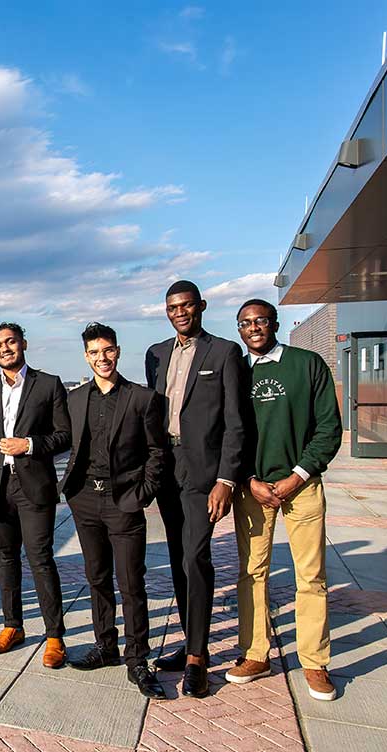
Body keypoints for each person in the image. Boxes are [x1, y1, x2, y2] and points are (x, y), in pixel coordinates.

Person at [229, 299, 342, 701]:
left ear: (274, 323)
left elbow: (329, 426)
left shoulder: (307, 364)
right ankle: (255, 653)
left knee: (310, 576)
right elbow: (229, 433)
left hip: (302, 485)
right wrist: (248, 478)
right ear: (239, 330)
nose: (254, 327)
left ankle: (314, 662)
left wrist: (299, 475)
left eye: (260, 320)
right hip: (252, 489)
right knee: (251, 572)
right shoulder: (236, 371)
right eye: (245, 323)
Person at [145, 280, 247, 698]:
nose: (180, 312)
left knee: (195, 556)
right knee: (175, 556)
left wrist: (226, 479)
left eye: (187, 305)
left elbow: (237, 423)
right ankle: (189, 640)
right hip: (165, 466)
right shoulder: (156, 354)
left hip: (203, 472)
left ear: (201, 306)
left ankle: (198, 657)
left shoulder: (224, 352)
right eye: (173, 307)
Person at [59, 323, 167, 699]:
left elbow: (157, 451)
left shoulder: (142, 398)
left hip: (124, 502)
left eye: (107, 351)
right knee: (97, 578)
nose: (102, 358)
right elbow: (64, 442)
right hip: (85, 499)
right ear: (86, 356)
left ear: (117, 351)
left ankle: (137, 657)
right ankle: (106, 646)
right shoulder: (75, 400)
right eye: (94, 353)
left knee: (131, 583)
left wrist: (142, 493)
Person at [0, 322, 72, 668]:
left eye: (10, 342)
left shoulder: (49, 384)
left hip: (34, 485)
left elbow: (64, 436)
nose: (5, 348)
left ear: (23, 343)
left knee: (40, 558)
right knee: (5, 557)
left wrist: (29, 445)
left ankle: (55, 635)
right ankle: (13, 626)